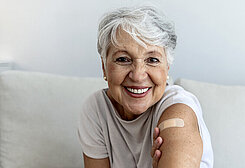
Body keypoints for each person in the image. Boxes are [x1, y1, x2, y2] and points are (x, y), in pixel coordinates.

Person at [77, 5, 213, 168]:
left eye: (152, 60)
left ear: (167, 67)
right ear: (104, 67)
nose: (138, 75)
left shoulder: (178, 110)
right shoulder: (96, 109)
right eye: (123, 59)